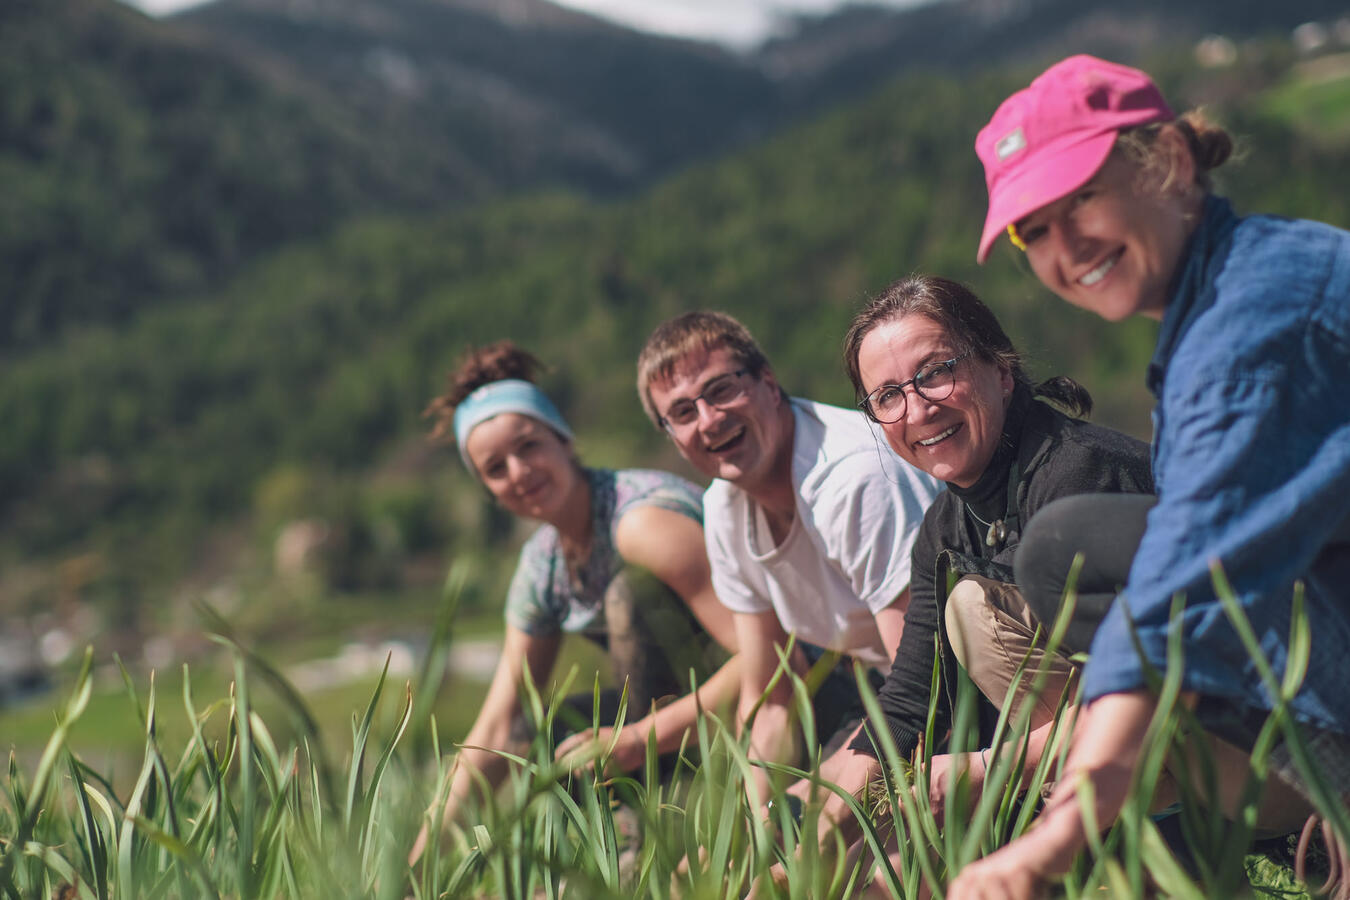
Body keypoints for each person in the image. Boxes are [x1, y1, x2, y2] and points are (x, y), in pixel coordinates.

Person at [950, 54, 1350, 899]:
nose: (1066, 247)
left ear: (1166, 161)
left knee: (1093, 561)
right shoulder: (1226, 285)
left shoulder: (1251, 327)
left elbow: (1186, 582)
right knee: (1070, 554)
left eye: (1082, 198)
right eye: (1034, 231)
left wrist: (1058, 831)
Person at [770, 274, 1152, 885]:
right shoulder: (945, 529)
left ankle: (1145, 843)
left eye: (936, 372)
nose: (918, 409)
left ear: (1001, 371)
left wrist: (981, 767)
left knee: (972, 610)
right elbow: (909, 703)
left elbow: (1150, 684)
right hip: (1100, 740)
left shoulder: (1074, 477)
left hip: (1221, 726)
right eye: (887, 395)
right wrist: (800, 860)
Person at [409, 341, 739, 863]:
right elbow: (500, 726)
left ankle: (662, 832)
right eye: (496, 468)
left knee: (630, 595)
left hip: (746, 709)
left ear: (563, 439)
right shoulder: (543, 565)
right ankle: (613, 850)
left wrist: (634, 739)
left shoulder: (641, 522)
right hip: (661, 733)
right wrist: (416, 868)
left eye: (529, 446)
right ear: (489, 490)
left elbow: (768, 658)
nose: (518, 471)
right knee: (553, 726)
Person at [635, 311, 942, 801]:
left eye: (720, 389)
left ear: (768, 382)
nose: (710, 419)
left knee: (822, 848)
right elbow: (770, 698)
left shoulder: (852, 478)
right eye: (683, 412)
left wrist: (814, 806)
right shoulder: (724, 507)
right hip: (889, 699)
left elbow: (929, 683)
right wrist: (756, 825)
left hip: (962, 695)